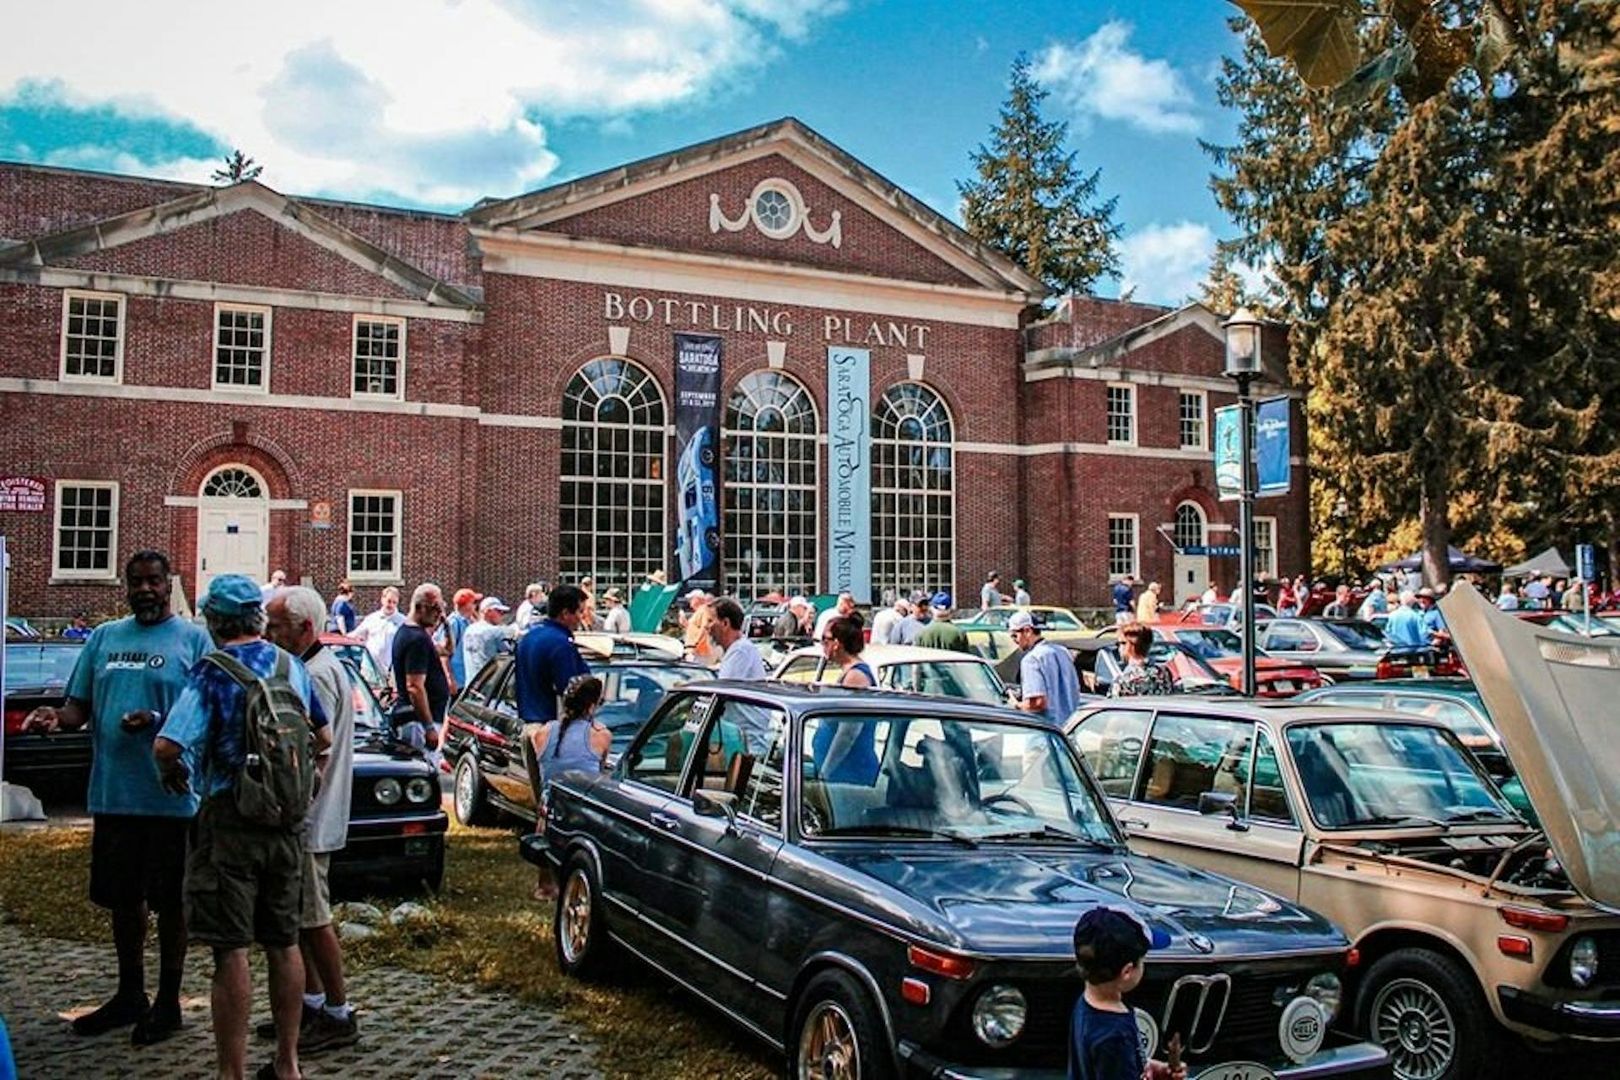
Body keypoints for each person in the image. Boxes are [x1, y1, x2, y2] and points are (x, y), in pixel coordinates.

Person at [22, 550, 211, 1044]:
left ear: (169, 584)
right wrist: (51, 718)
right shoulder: (105, 637)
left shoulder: (194, 639)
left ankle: (169, 1002)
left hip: (170, 797)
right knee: (123, 901)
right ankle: (131, 995)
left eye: (154, 581)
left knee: (171, 903)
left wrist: (158, 722)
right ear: (125, 587)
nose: (145, 589)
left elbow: (210, 712)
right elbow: (77, 708)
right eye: (136, 582)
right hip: (113, 794)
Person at [153, 574, 329, 1080]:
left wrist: (173, 773)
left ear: (213, 621)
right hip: (285, 821)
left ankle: (231, 1070)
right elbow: (324, 736)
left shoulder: (211, 672)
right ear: (256, 617)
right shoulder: (290, 665)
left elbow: (168, 744)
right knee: (283, 940)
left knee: (230, 947)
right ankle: (288, 1063)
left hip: (229, 818)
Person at [262, 586, 359, 1053]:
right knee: (300, 920)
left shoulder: (315, 674)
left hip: (310, 818)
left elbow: (307, 748)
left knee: (314, 920)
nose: (267, 633)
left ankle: (339, 1012)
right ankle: (310, 1003)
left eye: (276, 626)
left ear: (304, 629)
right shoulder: (315, 668)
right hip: (314, 816)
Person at [1069, 908, 1181, 1080]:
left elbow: (1105, 1066)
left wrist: (1145, 1066)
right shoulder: (1115, 1036)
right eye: (1142, 960)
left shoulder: (1085, 1002)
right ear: (1127, 971)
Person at [530, 675, 612, 899]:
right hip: (582, 810)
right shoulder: (601, 736)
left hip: (550, 809)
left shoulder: (543, 732)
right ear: (592, 706)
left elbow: (541, 771)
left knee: (546, 812)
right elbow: (601, 773)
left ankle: (545, 884)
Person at [392, 584, 449, 751]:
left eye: (442, 607)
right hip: (418, 724)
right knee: (423, 771)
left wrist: (446, 626)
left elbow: (447, 651)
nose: (439, 613)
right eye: (435, 608)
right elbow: (415, 686)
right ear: (420, 607)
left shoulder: (413, 634)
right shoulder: (417, 639)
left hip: (420, 721)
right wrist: (429, 727)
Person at [1010, 611, 1081, 723]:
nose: (1014, 641)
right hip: (1070, 727)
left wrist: (1016, 705)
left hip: (1046, 731)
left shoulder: (1031, 660)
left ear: (1028, 631)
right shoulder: (1063, 651)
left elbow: (1037, 703)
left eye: (1015, 635)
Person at [708, 598, 768, 680]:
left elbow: (725, 688)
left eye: (710, 621)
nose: (706, 626)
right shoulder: (739, 649)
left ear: (725, 623)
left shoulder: (740, 651)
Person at [1111, 622, 1176, 697]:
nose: (1118, 647)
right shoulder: (1163, 672)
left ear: (1129, 645)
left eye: (1119, 643)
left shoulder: (1122, 680)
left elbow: (1113, 704)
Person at [353, 586, 405, 677]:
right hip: (370, 669)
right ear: (382, 599)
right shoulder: (372, 619)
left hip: (392, 671)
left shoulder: (403, 622)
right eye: (389, 601)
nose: (391, 605)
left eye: (394, 602)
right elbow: (354, 636)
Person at [461, 596, 514, 682]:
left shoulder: (469, 630)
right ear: (488, 611)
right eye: (499, 611)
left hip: (471, 683)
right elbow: (510, 654)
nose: (501, 614)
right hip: (489, 684)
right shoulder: (496, 631)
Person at [442, 588, 480, 693]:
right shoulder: (454, 623)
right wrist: (450, 679)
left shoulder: (468, 622)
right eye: (473, 603)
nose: (475, 606)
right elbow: (444, 655)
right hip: (457, 680)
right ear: (466, 605)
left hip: (466, 679)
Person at [683, 590, 718, 662]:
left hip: (699, 651)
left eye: (691, 599)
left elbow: (704, 627)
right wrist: (685, 623)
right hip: (693, 649)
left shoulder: (704, 610)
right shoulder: (699, 611)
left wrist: (695, 644)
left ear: (697, 599)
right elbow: (694, 629)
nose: (690, 601)